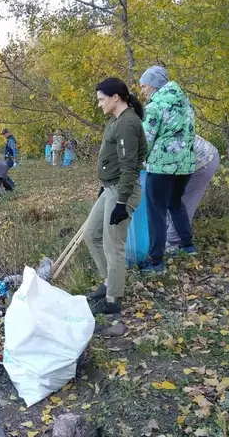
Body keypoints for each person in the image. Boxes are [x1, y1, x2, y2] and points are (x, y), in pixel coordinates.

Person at [83, 78, 146, 315]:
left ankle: (113, 299)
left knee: (113, 244)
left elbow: (129, 166)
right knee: (91, 234)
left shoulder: (127, 123)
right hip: (110, 187)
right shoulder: (115, 120)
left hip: (122, 190)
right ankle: (109, 280)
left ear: (115, 97)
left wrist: (121, 202)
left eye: (101, 99)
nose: (99, 104)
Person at [139, 66, 196, 273]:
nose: (142, 91)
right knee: (175, 203)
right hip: (186, 165)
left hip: (162, 166)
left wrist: (137, 160)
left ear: (153, 84)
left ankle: (155, 261)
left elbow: (145, 139)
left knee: (156, 212)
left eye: (144, 86)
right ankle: (188, 246)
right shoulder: (186, 103)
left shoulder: (155, 107)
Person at [166, 135, 219, 250]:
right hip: (183, 161)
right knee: (170, 200)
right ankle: (172, 239)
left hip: (202, 161)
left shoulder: (144, 134)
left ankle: (174, 243)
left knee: (180, 202)